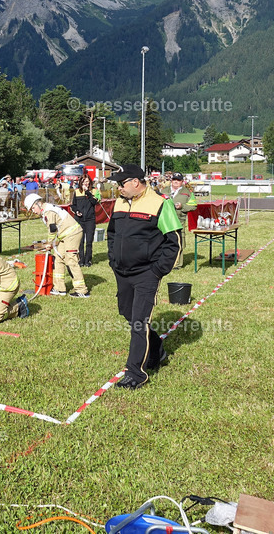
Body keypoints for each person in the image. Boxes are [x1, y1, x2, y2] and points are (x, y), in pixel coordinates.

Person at [106, 164, 182, 390]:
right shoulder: (120, 202)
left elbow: (174, 241)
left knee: (139, 322)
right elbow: (112, 234)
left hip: (146, 274)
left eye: (122, 183)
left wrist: (157, 270)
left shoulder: (161, 203)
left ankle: (135, 374)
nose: (119, 187)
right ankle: (157, 350)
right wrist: (113, 260)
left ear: (135, 182)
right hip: (122, 272)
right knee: (128, 314)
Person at [23, 193, 89, 297]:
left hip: (72, 234)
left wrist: (49, 243)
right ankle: (59, 288)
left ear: (39, 203)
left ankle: (82, 290)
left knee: (71, 261)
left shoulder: (49, 211)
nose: (33, 211)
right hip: (64, 236)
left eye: (33, 208)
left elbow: (52, 229)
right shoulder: (45, 211)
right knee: (58, 259)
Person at [164, 173, 197, 269]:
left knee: (179, 241)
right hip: (164, 220)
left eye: (178, 180)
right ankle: (164, 262)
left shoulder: (187, 192)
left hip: (179, 220)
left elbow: (193, 206)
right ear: (171, 180)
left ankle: (177, 264)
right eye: (174, 179)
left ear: (182, 182)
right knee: (163, 241)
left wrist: (182, 207)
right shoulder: (164, 190)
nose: (175, 182)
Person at [70, 177, 98, 268]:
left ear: (90, 182)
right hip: (79, 219)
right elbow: (73, 205)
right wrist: (77, 211)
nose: (85, 184)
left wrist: (87, 192)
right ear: (80, 183)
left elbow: (94, 202)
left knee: (89, 241)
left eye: (87, 182)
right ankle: (81, 260)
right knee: (80, 241)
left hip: (90, 219)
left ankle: (88, 260)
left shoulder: (94, 191)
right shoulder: (76, 192)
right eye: (83, 182)